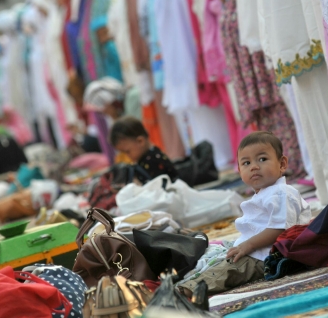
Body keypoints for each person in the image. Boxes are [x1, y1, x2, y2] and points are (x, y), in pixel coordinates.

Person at [178, 131, 311, 295]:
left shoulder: (282, 192)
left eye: (262, 159)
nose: (254, 166)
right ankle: (187, 280)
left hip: (265, 255)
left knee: (228, 270)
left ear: (282, 163)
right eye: (246, 163)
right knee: (214, 258)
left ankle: (190, 290)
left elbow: (280, 228)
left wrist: (248, 245)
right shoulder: (264, 193)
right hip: (255, 249)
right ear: (240, 170)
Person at [110, 116, 178, 183]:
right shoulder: (144, 158)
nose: (127, 156)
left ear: (140, 141)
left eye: (127, 151)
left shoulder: (153, 160)